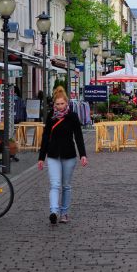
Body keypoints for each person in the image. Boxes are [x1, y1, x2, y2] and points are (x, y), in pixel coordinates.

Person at [38, 86, 88, 225]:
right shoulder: (51, 117)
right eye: (57, 104)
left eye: (62, 104)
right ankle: (54, 211)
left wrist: (83, 155)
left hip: (69, 155)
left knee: (65, 185)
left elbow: (78, 137)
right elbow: (46, 136)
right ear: (54, 104)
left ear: (66, 103)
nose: (59, 106)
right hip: (53, 155)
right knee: (55, 185)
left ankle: (64, 213)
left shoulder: (72, 116)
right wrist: (41, 157)